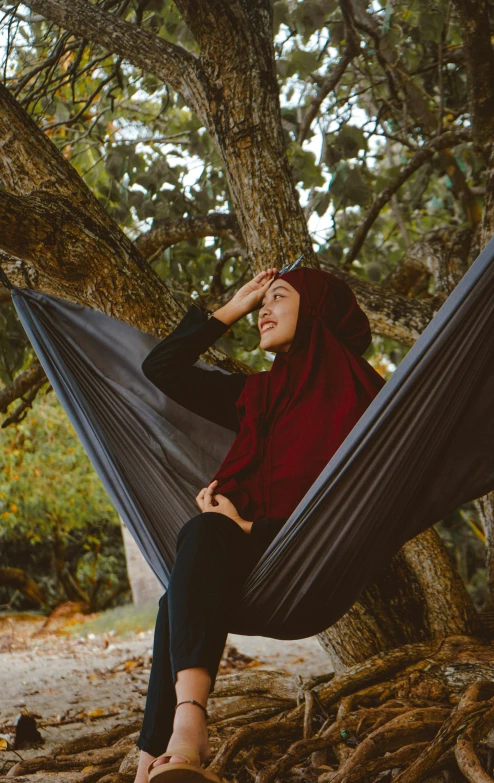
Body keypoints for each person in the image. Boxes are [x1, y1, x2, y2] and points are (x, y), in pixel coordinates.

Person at [134, 264, 384, 782]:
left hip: (302, 557)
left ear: (314, 309)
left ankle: (183, 732)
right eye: (260, 303)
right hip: (231, 555)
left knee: (197, 544)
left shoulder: (366, 397)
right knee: (183, 579)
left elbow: (358, 509)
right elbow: (163, 368)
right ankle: (156, 761)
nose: (263, 310)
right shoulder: (256, 395)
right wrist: (233, 306)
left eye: (278, 298)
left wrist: (249, 530)